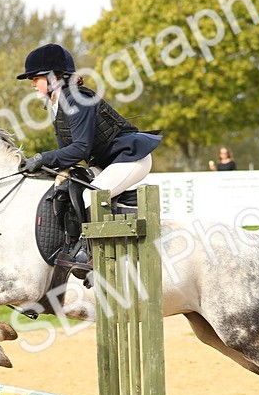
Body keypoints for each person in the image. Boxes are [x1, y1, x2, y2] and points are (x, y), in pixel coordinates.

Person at [16, 43, 161, 274]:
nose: (32, 83)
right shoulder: (57, 104)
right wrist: (43, 167)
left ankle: (92, 258)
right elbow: (67, 152)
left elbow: (80, 149)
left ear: (53, 78)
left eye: (36, 78)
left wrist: (43, 157)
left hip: (131, 158)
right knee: (69, 187)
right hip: (108, 162)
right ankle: (74, 246)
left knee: (90, 196)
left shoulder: (76, 99)